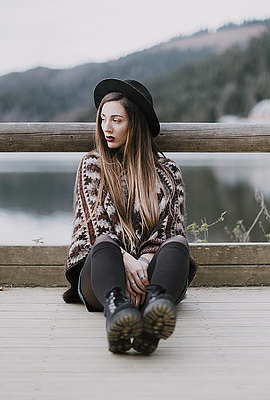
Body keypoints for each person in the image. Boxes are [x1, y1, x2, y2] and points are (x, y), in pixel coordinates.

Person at [63, 78, 197, 355]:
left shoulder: (168, 172)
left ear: (135, 124)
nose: (106, 128)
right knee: (103, 245)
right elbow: (91, 229)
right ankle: (118, 313)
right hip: (103, 280)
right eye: (102, 119)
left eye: (116, 120)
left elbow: (170, 228)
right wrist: (127, 262)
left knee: (178, 244)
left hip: (153, 278)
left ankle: (156, 310)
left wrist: (144, 263)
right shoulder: (93, 165)